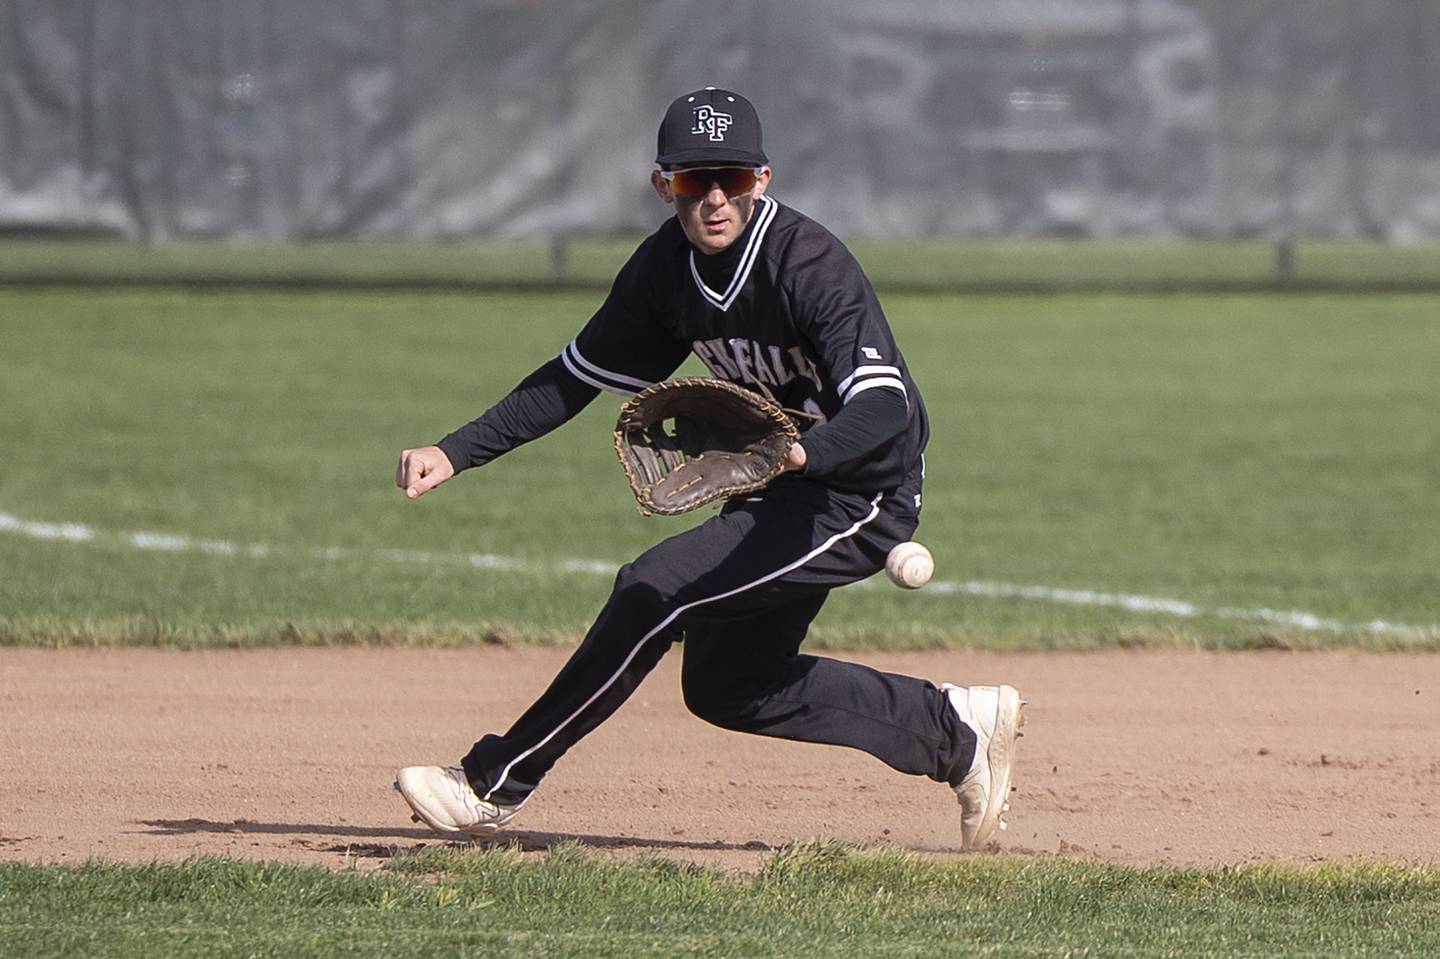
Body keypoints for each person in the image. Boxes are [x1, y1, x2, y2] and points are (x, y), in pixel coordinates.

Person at [392, 87, 1025, 850]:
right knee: (729, 683)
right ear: (664, 185)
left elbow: (885, 406)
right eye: (694, 180)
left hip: (863, 488)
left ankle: (493, 783)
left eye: (732, 176)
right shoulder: (664, 271)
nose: (714, 197)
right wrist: (455, 451)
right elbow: (573, 378)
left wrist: (802, 452)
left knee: (653, 589)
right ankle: (953, 731)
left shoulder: (809, 265)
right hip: (788, 485)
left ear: (764, 177)